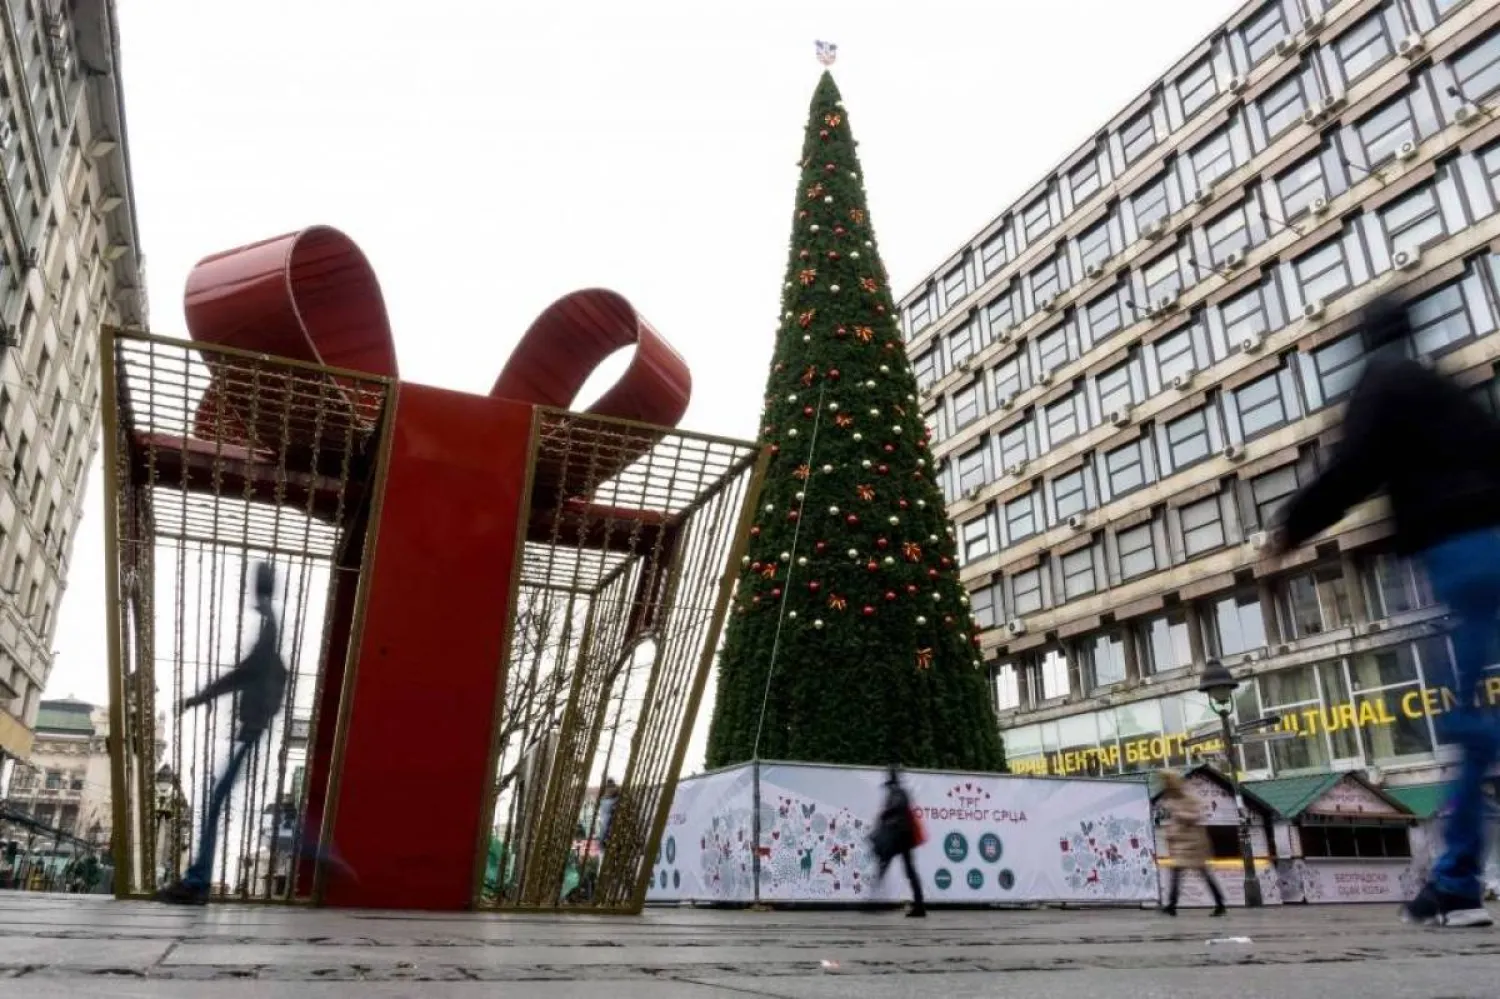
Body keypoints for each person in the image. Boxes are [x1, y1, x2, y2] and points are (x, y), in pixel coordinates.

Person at [1267, 292, 1500, 928]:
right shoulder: (1444, 389)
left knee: (1466, 719)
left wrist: (1291, 527)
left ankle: (1453, 884)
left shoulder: (1384, 382)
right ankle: (1454, 881)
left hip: (1455, 557)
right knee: (1470, 716)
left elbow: (1355, 468)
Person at [158, 562, 288, 905]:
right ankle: (197, 880)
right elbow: (244, 676)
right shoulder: (268, 638)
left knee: (216, 802)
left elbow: (240, 676)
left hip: (250, 731)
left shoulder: (267, 636)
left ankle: (198, 882)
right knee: (217, 800)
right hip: (252, 729)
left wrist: (197, 699)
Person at [1157, 770, 1226, 917]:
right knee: (1177, 874)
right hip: (1182, 845)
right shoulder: (1171, 800)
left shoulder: (1188, 798)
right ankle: (1172, 905)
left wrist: (1180, 815)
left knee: (1203, 874)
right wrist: (1171, 834)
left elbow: (1196, 815)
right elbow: (1174, 823)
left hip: (1194, 845)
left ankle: (1220, 903)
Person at [870, 766, 926, 918]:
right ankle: (918, 905)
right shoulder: (897, 793)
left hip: (901, 838)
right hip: (899, 838)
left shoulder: (898, 793)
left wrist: (885, 815)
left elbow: (896, 809)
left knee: (904, 870)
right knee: (892, 868)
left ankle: (919, 906)